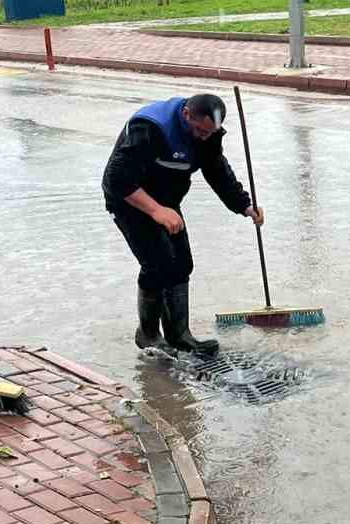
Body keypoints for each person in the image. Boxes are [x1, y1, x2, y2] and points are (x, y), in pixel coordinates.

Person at [102, 93, 263, 355]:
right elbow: (116, 179)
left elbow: (216, 170)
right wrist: (155, 210)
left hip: (166, 201)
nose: (203, 137)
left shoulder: (207, 135)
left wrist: (244, 205)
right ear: (187, 115)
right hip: (130, 200)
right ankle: (149, 336)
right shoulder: (150, 128)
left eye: (210, 132)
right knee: (157, 263)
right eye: (199, 130)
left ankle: (179, 336)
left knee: (181, 264)